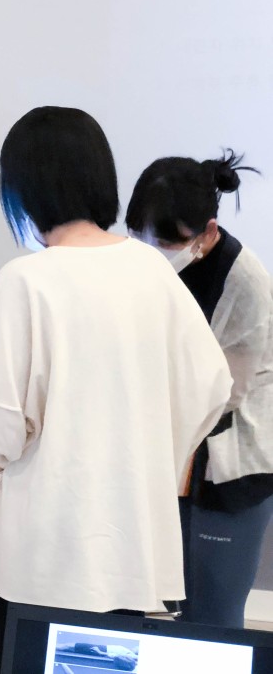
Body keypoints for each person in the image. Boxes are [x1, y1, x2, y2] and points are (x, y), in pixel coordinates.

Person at [0, 106, 233, 669]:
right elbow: (210, 386)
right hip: (129, 545)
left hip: (44, 549)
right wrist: (155, 456)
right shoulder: (153, 271)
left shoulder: (25, 281)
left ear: (22, 190)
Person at [125, 150, 273, 628]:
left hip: (229, 464)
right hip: (167, 453)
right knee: (162, 604)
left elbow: (223, 392)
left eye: (168, 242)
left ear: (208, 232)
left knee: (212, 616)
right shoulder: (142, 265)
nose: (154, 251)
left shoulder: (246, 283)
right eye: (142, 237)